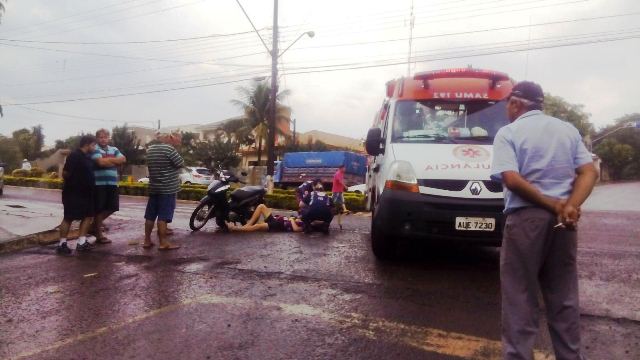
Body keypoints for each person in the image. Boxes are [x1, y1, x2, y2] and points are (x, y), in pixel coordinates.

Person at [491, 81, 598, 360]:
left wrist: (550, 203)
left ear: (516, 103)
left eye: (507, 103)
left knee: (520, 297)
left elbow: (511, 179)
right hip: (564, 223)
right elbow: (589, 172)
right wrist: (570, 206)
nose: (506, 109)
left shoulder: (509, 133)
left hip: (526, 220)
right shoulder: (567, 130)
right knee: (563, 298)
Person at [56, 135, 98, 255]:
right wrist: (75, 183)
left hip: (87, 193)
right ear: (87, 144)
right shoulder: (75, 155)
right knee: (69, 217)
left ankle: (81, 242)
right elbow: (65, 173)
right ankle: (62, 244)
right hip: (73, 193)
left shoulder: (88, 157)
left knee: (88, 216)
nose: (94, 147)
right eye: (93, 145)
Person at [143, 132, 184, 250]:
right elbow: (180, 163)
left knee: (150, 215)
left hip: (154, 187)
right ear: (170, 138)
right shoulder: (169, 149)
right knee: (163, 216)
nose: (178, 141)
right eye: (177, 139)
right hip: (167, 188)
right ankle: (163, 242)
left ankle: (147, 240)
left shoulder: (150, 149)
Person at [91, 129, 127, 244]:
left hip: (112, 183)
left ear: (109, 138)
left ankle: (93, 226)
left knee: (113, 207)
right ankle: (99, 235)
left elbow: (123, 159)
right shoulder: (94, 149)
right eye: (101, 137)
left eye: (105, 137)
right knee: (99, 208)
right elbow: (100, 163)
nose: (103, 139)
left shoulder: (114, 149)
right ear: (97, 138)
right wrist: (114, 161)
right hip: (98, 184)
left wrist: (108, 160)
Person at [226, 204, 304, 233]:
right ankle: (247, 225)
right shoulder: (299, 216)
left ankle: (235, 228)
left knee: (258, 226)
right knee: (261, 206)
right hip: (276, 219)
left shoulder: (306, 223)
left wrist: (292, 220)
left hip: (278, 225)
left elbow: (297, 229)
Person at [332, 164, 349, 229]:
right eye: (344, 168)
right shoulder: (338, 173)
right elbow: (340, 181)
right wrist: (345, 186)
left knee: (342, 202)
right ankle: (328, 210)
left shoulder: (341, 173)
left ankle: (345, 210)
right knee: (333, 203)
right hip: (336, 191)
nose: (345, 169)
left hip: (340, 191)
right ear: (341, 168)